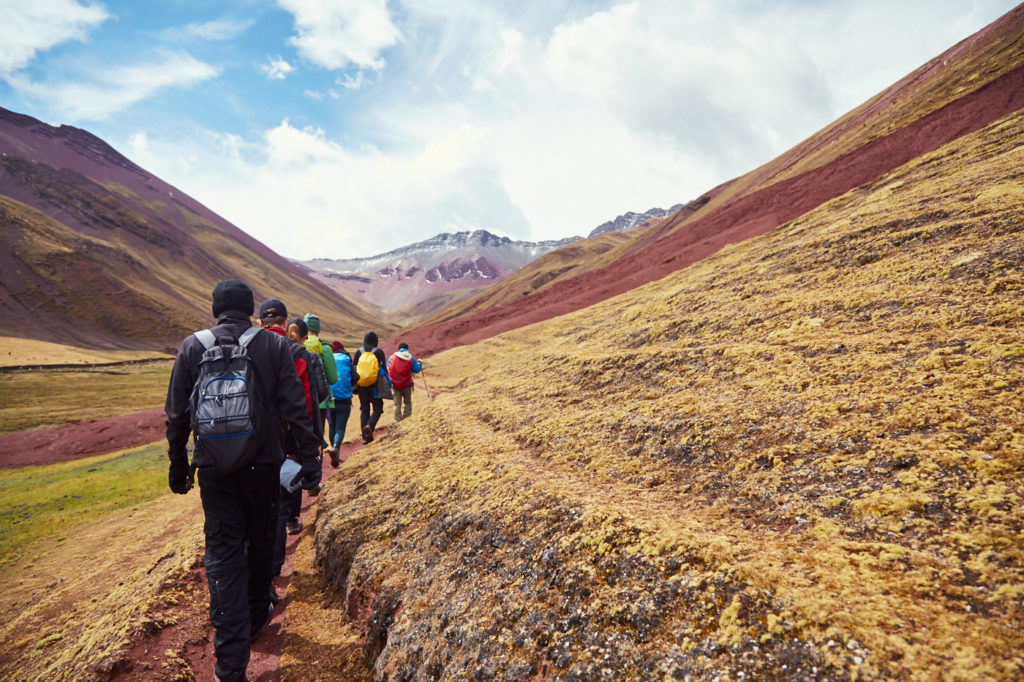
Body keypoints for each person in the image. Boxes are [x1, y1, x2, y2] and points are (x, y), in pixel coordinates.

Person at [165, 280, 321, 682]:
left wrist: (178, 465)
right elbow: (296, 408)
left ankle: (229, 665)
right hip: (264, 464)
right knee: (261, 540)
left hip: (214, 469)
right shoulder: (274, 347)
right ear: (251, 309)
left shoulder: (192, 346)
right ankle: (255, 616)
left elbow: (177, 415)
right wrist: (309, 461)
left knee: (222, 552)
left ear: (215, 308)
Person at [303, 313, 339, 440]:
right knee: (318, 438)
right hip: (321, 401)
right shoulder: (325, 348)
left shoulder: (296, 344)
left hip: (300, 399)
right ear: (318, 329)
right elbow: (333, 378)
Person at [353, 331, 387, 443]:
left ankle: (364, 437)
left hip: (362, 386)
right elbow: (383, 370)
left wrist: (355, 387)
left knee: (364, 410)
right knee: (378, 408)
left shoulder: (358, 352)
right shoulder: (379, 352)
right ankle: (370, 426)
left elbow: (354, 370)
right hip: (375, 387)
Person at [328, 341, 352, 466]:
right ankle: (336, 447)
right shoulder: (346, 358)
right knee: (340, 428)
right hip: (344, 399)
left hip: (329, 398)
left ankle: (334, 449)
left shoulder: (328, 358)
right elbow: (355, 376)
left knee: (332, 426)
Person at [386, 341, 423, 423]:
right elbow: (416, 369)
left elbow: (387, 368)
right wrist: (420, 364)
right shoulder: (410, 358)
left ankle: (397, 420)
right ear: (407, 349)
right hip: (406, 384)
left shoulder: (392, 357)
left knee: (396, 404)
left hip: (394, 384)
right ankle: (407, 420)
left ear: (399, 349)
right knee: (407, 402)